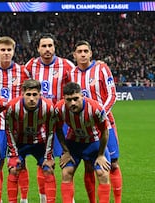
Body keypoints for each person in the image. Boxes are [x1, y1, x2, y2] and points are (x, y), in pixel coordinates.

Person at [25, 33, 75, 202]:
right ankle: (43, 198)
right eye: (44, 46)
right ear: (38, 48)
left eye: (50, 46)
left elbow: (75, 88)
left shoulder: (66, 65)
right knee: (43, 162)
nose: (47, 49)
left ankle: (69, 198)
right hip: (40, 122)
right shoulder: (30, 66)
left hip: (62, 121)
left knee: (67, 161)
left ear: (55, 47)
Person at [71, 40, 122, 203]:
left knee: (113, 163)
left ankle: (118, 200)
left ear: (91, 53)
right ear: (74, 55)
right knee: (89, 165)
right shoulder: (71, 74)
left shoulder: (102, 68)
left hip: (105, 123)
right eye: (79, 51)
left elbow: (112, 95)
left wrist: (100, 114)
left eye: (86, 51)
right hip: (84, 128)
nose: (83, 54)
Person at [53, 82, 111, 203]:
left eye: (76, 99)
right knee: (66, 172)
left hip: (94, 143)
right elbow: (58, 129)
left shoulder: (95, 109)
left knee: (103, 174)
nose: (72, 103)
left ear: (82, 96)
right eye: (69, 100)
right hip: (74, 144)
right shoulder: (59, 109)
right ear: (64, 99)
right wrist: (66, 151)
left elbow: (105, 132)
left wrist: (100, 155)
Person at [0, 36, 30, 202]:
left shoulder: (22, 71)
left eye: (9, 50)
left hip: (17, 126)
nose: (6, 53)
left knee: (20, 164)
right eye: (2, 50)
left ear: (13, 51)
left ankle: (24, 199)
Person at [5, 79, 57, 203]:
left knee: (48, 169)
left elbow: (51, 132)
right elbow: (9, 131)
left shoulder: (48, 107)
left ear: (40, 94)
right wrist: (13, 154)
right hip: (20, 142)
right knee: (14, 169)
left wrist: (48, 156)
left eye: (35, 94)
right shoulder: (12, 107)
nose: (32, 98)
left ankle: (45, 200)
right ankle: (22, 200)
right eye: (28, 95)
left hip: (40, 142)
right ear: (22, 94)